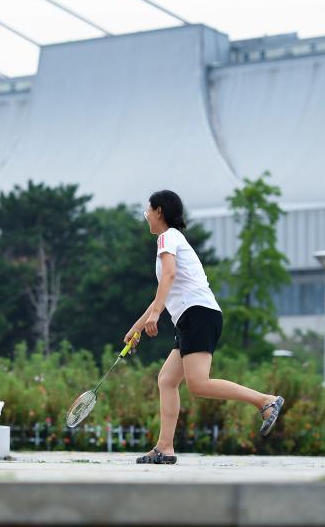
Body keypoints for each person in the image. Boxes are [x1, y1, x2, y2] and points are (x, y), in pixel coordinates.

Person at [125, 190, 284, 464]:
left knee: (198, 384)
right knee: (167, 380)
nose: (146, 216)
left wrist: (156, 315)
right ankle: (165, 447)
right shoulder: (172, 241)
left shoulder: (167, 237)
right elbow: (165, 290)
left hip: (196, 315)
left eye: (147, 211)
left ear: (159, 211)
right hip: (194, 316)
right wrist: (137, 327)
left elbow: (170, 277)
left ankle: (265, 401)